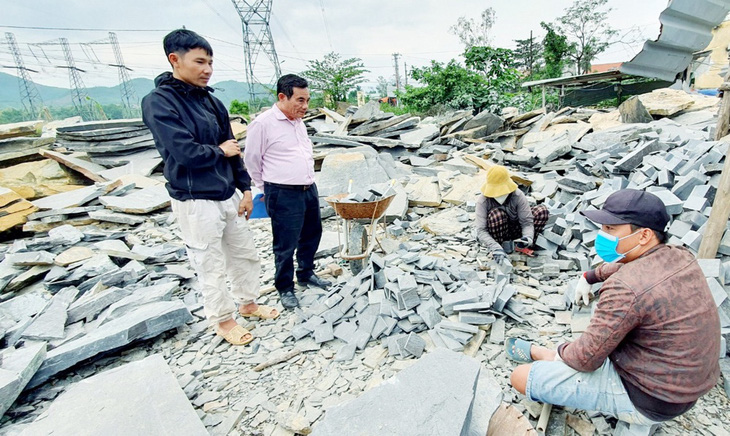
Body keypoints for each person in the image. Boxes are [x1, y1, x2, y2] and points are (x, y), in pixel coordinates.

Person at [507, 189, 721, 433]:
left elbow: (585, 359)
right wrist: (590, 276)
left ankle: (554, 357)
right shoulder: (680, 255)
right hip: (680, 385)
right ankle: (549, 354)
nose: (602, 235)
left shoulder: (625, 287)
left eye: (610, 229)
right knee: (580, 349)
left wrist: (567, 355)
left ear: (644, 236)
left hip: (650, 398)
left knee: (522, 377)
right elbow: (626, 266)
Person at [142, 29, 278, 346]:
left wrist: (245, 190)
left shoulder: (212, 102)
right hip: (194, 198)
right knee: (210, 262)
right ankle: (223, 319)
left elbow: (233, 149)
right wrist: (220, 151)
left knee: (244, 254)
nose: (207, 69)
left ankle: (248, 303)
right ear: (174, 60)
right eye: (199, 61)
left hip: (227, 193)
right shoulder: (159, 103)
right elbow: (183, 152)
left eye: (211, 62)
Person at [244, 74, 331, 310]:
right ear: (282, 97)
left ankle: (306, 273)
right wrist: (266, 189)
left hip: (308, 188)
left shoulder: (298, 121)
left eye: (308, 100)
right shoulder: (263, 124)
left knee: (312, 234)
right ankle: (284, 286)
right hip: (282, 192)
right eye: (300, 100)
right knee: (285, 243)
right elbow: (251, 160)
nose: (305, 106)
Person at [474, 165, 549, 263]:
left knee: (541, 211)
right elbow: (481, 230)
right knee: (496, 215)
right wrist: (495, 248)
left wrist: (528, 237)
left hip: (517, 229)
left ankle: (521, 247)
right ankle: (502, 248)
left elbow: (527, 222)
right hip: (498, 233)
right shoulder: (483, 201)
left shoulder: (517, 195)